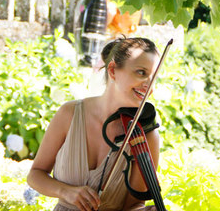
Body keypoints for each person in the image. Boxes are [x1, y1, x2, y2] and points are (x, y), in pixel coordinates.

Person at [28, 37, 161, 211]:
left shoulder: (145, 135)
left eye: (154, 77)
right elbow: (35, 174)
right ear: (113, 70)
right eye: (141, 73)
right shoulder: (69, 114)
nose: (149, 85)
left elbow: (134, 205)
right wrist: (67, 192)